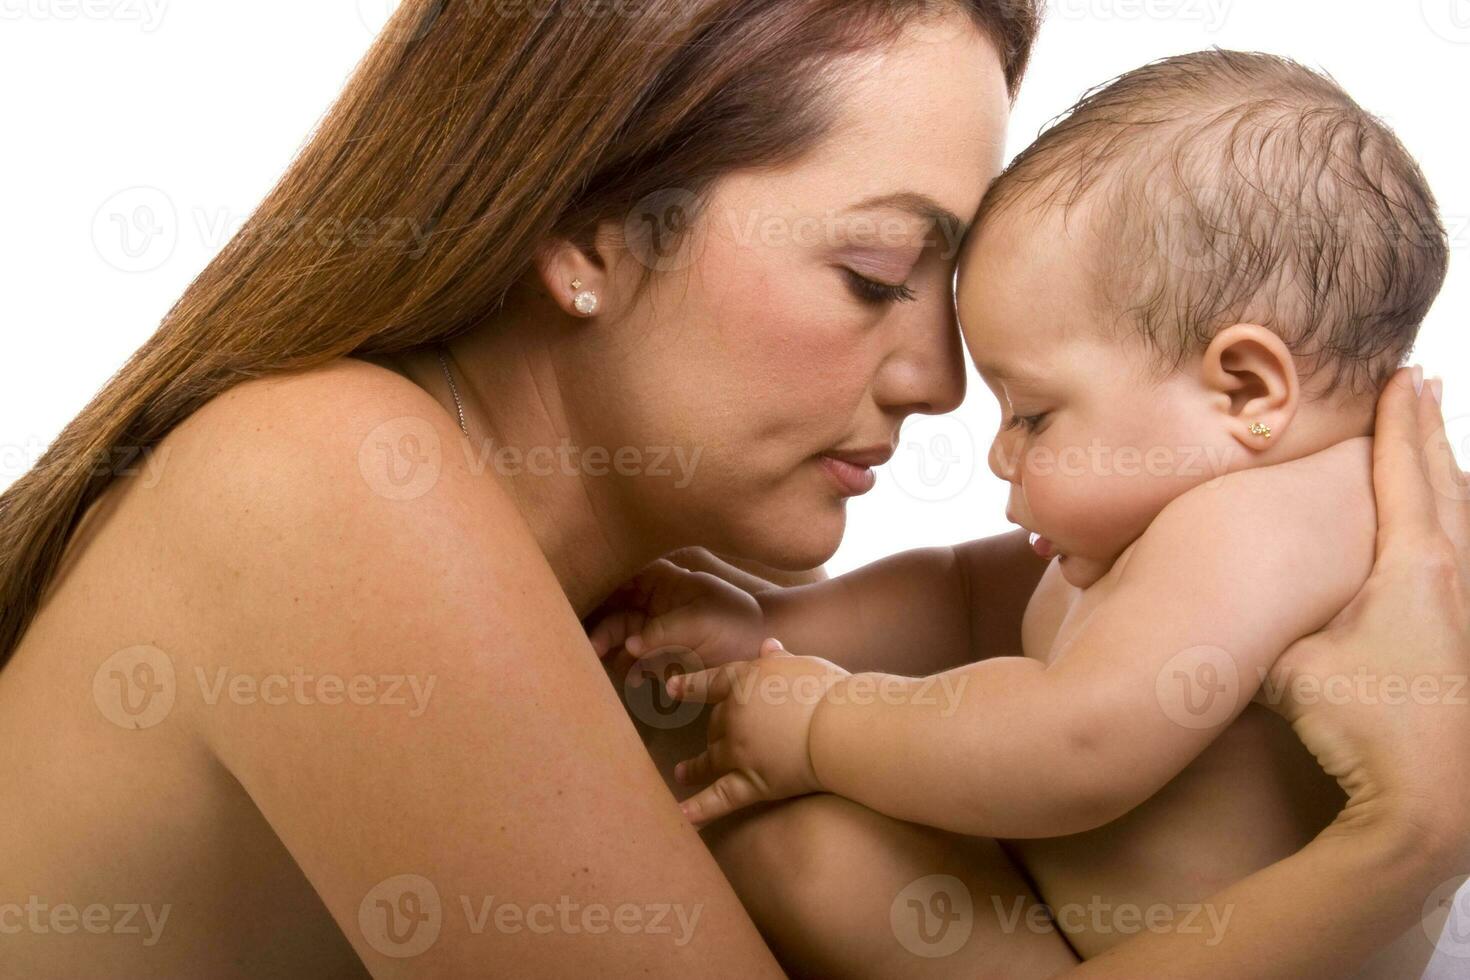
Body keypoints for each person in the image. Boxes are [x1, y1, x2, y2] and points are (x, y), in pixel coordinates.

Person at [0, 3, 1463, 976]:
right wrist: (1397, 848)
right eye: (874, 273)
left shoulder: (605, 633)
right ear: (586, 230)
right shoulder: (319, 487)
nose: (945, 383)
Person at [590, 50, 1453, 976]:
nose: (1002, 451)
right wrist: (777, 621)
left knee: (806, 855)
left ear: (1245, 389)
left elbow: (1079, 743)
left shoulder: (1276, 520)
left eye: (1033, 414)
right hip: (1071, 927)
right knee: (795, 844)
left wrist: (824, 726)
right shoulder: (1182, 515)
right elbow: (963, 599)